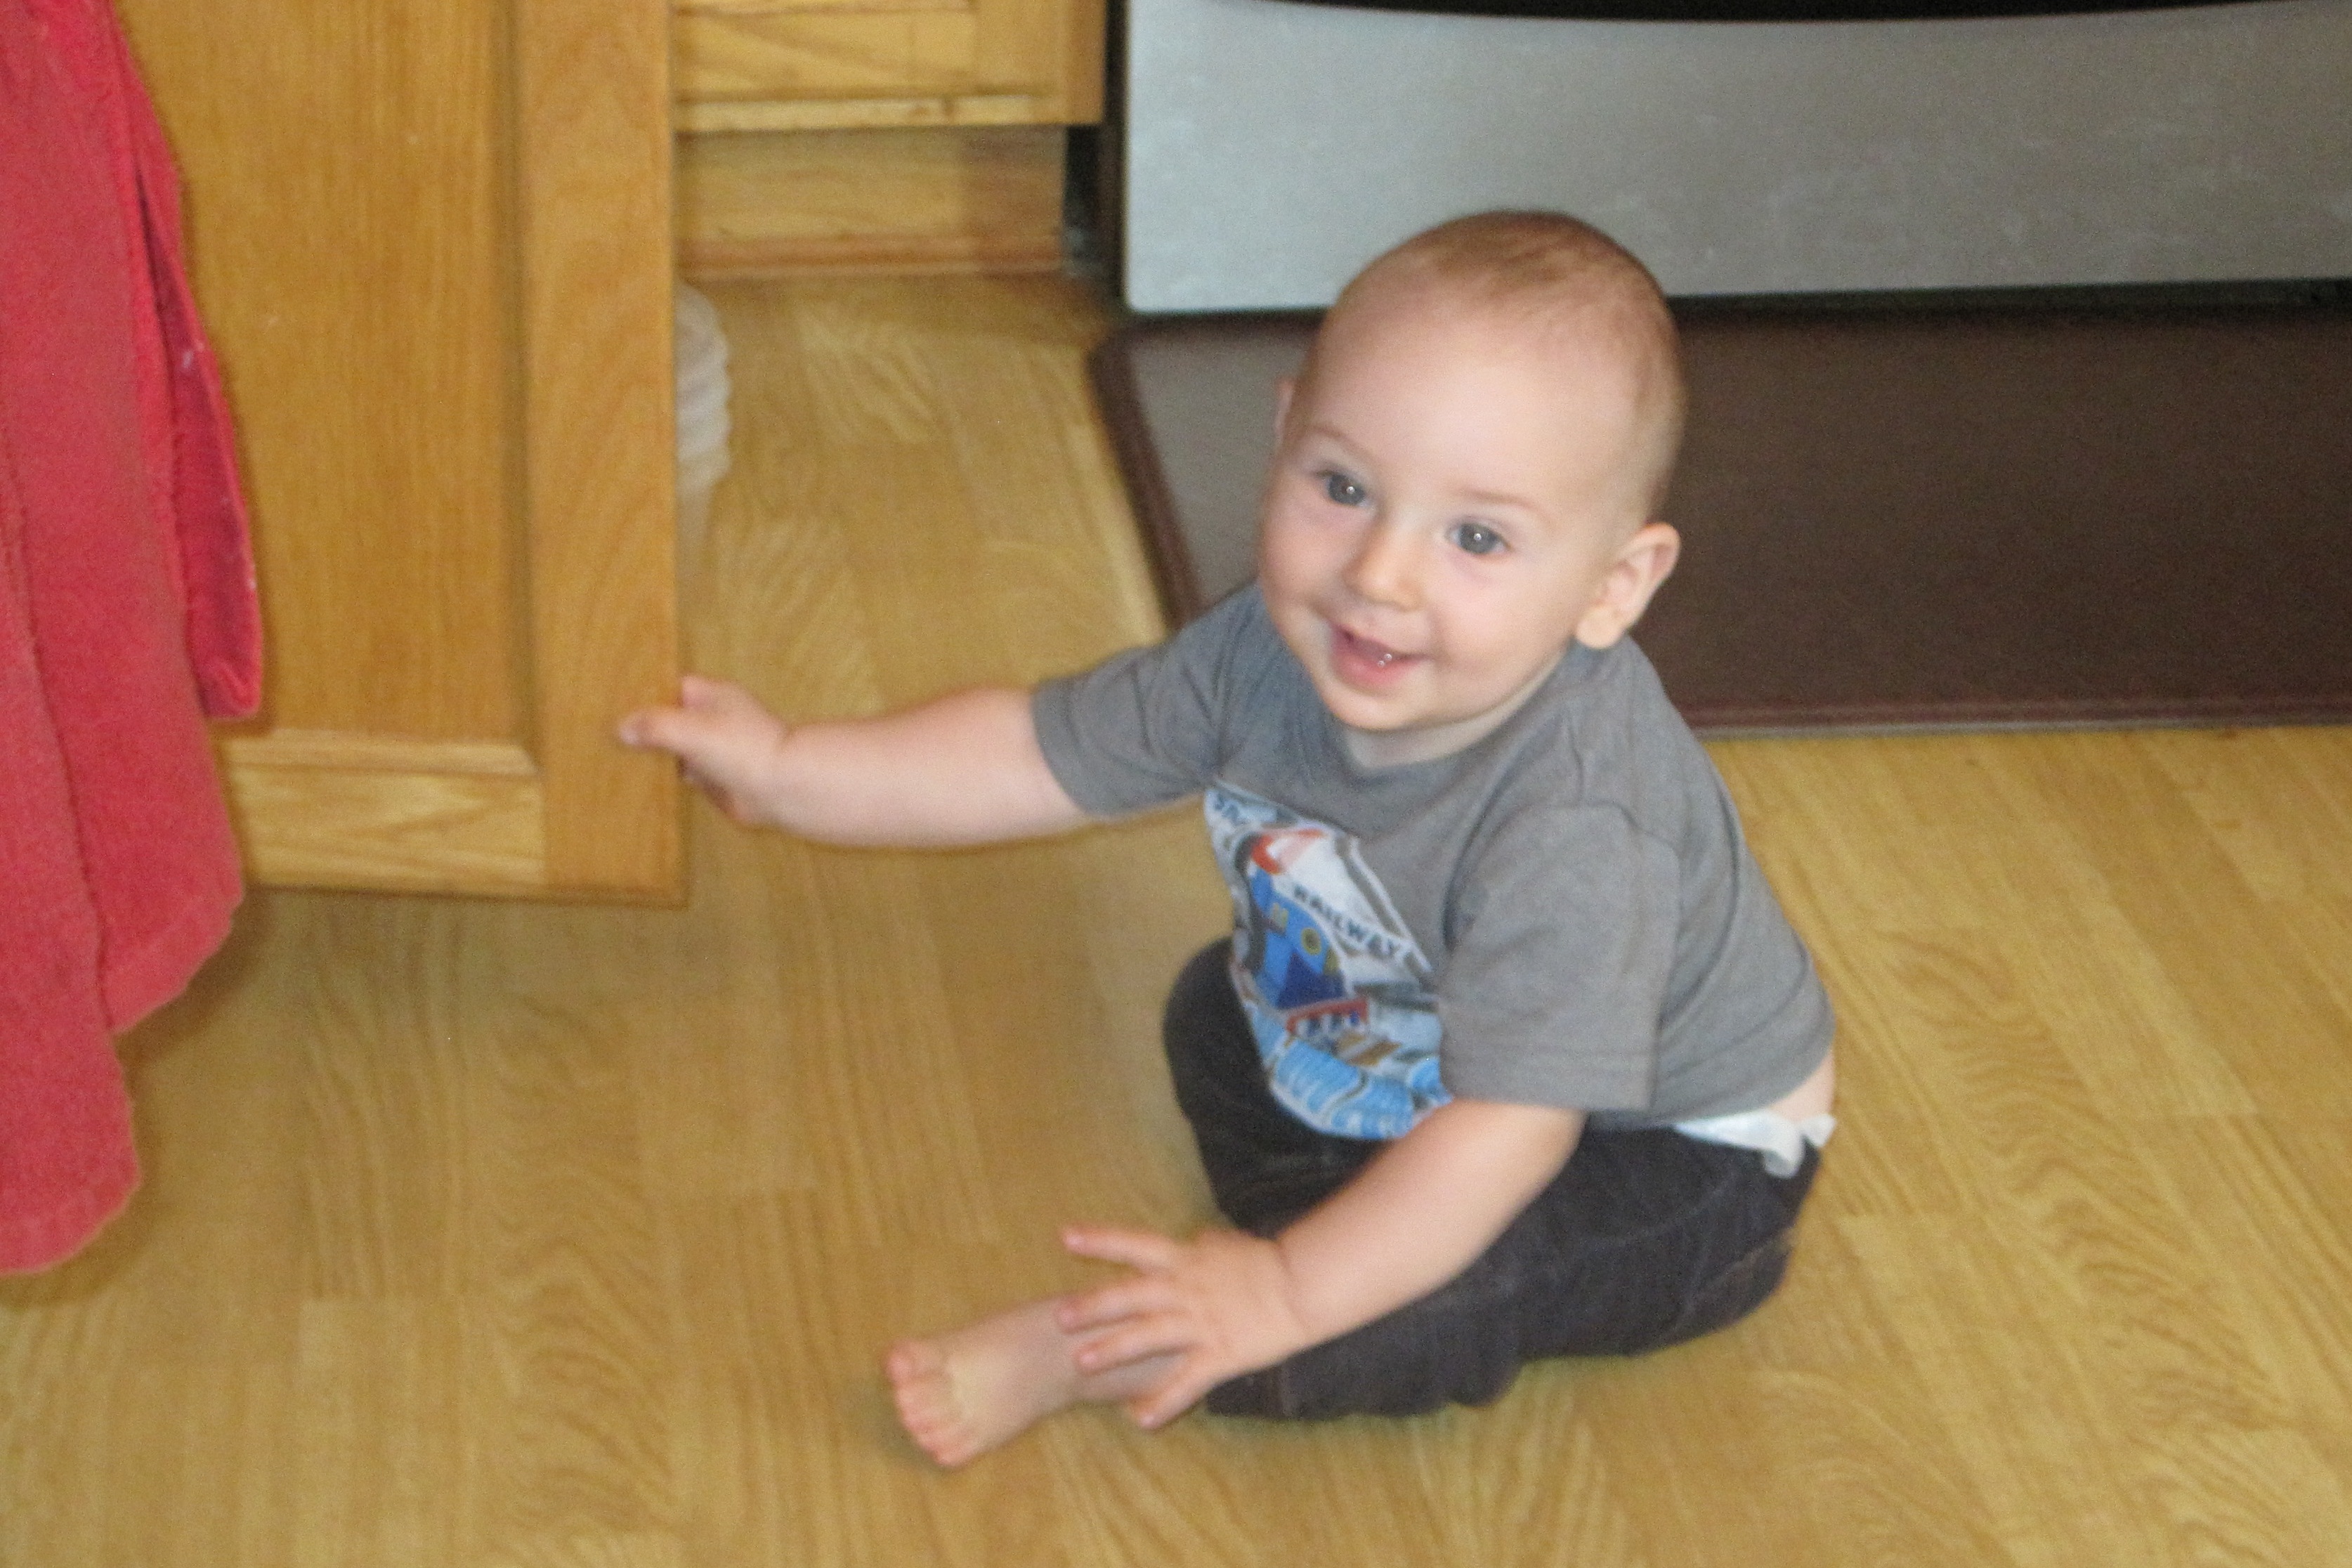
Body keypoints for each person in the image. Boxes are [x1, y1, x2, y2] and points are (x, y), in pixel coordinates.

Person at [618, 211, 1836, 1468]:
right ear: (1284, 434)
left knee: (1409, 1311)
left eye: (1477, 538)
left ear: (1612, 586)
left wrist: (1287, 1295)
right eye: (1343, 487)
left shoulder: (1578, 827)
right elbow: (1039, 752)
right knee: (1214, 1011)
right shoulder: (1268, 646)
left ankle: (1097, 1347)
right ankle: (1337, 1229)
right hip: (1441, 1054)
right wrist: (795, 768)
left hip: (1660, 1150)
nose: (1379, 574)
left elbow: (1514, 1128)